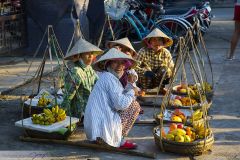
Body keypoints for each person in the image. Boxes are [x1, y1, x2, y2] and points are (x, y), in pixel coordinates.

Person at [84, 48, 140, 149]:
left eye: (122, 63)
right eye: (115, 62)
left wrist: (131, 85)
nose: (119, 66)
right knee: (134, 106)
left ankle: (113, 137)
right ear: (108, 64)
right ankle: (119, 139)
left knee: (131, 101)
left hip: (95, 127)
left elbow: (120, 94)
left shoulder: (108, 77)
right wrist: (132, 91)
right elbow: (120, 104)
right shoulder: (109, 78)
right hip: (101, 128)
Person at [61, 38, 103, 120]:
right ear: (80, 56)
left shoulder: (89, 69)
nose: (91, 56)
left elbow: (98, 83)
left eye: (91, 53)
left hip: (91, 107)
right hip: (79, 112)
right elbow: (68, 96)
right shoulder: (76, 72)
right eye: (87, 54)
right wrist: (61, 112)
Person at [106, 38, 144, 114]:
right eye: (122, 49)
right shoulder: (110, 68)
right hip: (114, 100)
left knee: (133, 98)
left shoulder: (128, 67)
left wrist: (133, 78)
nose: (125, 52)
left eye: (128, 51)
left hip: (124, 96)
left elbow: (134, 77)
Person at [135, 28, 174, 94]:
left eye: (159, 40)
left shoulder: (166, 52)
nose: (157, 43)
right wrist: (145, 72)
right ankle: (144, 89)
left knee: (165, 70)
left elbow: (172, 66)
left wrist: (170, 75)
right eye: (154, 40)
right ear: (149, 42)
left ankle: (161, 88)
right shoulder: (143, 51)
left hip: (159, 78)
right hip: (145, 79)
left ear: (163, 43)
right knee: (146, 69)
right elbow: (135, 66)